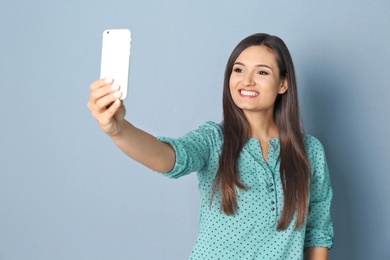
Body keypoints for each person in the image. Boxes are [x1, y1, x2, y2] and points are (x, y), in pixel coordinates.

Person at [87, 33, 334, 260]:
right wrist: (118, 130)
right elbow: (169, 158)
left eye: (262, 73)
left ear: (283, 84)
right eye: (238, 70)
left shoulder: (309, 151)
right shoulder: (213, 139)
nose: (246, 80)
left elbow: (317, 231)